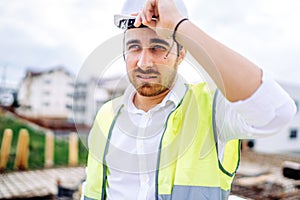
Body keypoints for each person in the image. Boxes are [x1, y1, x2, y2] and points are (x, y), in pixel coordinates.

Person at [83, 0, 297, 199]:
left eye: (158, 47)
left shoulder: (212, 107)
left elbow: (277, 113)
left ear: (182, 52)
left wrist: (179, 26)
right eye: (134, 47)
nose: (144, 62)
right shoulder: (107, 115)